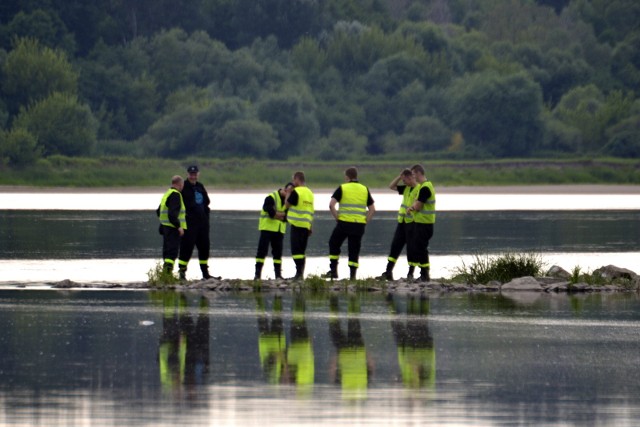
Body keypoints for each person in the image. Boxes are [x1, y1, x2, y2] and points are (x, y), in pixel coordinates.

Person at [325, 167, 375, 280]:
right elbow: (372, 209)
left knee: (333, 243)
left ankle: (333, 271)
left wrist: (337, 218)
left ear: (347, 177)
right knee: (354, 249)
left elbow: (331, 205)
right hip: (358, 225)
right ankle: (352, 276)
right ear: (356, 176)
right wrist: (365, 221)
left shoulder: (343, 188)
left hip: (344, 223)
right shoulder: (364, 189)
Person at [178, 165, 217, 280]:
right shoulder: (184, 187)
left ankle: (205, 274)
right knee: (187, 248)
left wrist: (205, 215)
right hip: (190, 223)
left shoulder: (200, 186)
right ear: (188, 174)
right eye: (191, 174)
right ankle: (182, 273)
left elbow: (207, 201)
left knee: (204, 247)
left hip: (203, 223)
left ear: (198, 174)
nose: (193, 176)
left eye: (195, 174)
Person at [378, 169, 417, 281]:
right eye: (402, 180)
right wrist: (400, 177)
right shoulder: (406, 188)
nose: (403, 182)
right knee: (395, 246)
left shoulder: (419, 189)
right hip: (402, 222)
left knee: (411, 249)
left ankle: (410, 273)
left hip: (413, 223)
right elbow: (391, 186)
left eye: (405, 180)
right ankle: (388, 272)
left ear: (410, 177)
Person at [254, 183, 293, 280]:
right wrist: (280, 215)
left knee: (278, 253)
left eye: (291, 193)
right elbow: (271, 213)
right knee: (262, 252)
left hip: (279, 230)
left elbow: (287, 217)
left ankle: (278, 275)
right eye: (288, 192)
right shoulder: (271, 197)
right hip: (267, 228)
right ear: (284, 189)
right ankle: (257, 275)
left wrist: (278, 215)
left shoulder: (288, 203)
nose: (289, 195)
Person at [406, 164, 436, 282]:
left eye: (413, 174)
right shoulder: (425, 186)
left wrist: (411, 208)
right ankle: (424, 273)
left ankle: (425, 275)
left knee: (421, 248)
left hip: (424, 223)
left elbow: (418, 206)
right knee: (420, 248)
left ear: (418, 173)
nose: (413, 177)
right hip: (423, 222)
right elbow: (417, 203)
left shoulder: (425, 188)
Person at [285, 171, 315, 280]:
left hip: (296, 224)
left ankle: (298, 274)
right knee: (302, 250)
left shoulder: (296, 191)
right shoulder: (309, 192)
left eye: (294, 180)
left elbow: (287, 205)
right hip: (306, 224)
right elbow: (310, 210)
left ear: (297, 179)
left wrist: (288, 192)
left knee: (296, 250)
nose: (293, 182)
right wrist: (310, 225)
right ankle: (301, 273)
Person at [157, 175, 186, 275]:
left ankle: (165, 275)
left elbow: (158, 211)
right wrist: (179, 226)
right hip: (172, 228)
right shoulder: (176, 195)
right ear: (180, 184)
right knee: (172, 252)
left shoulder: (167, 193)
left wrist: (163, 223)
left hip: (165, 228)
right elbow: (172, 214)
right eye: (182, 185)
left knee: (167, 251)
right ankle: (167, 275)